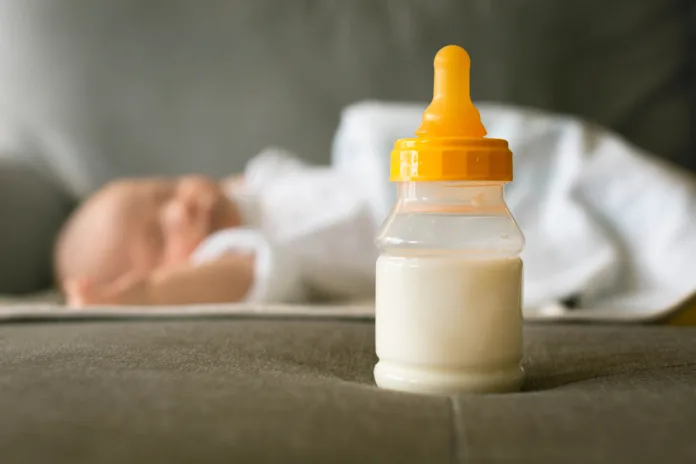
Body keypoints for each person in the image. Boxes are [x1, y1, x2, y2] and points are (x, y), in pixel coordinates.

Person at [55, 148, 378, 306]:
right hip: (405, 228)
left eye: (165, 192)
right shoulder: (232, 253)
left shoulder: (251, 187)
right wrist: (145, 295)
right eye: (158, 238)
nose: (179, 210)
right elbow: (246, 275)